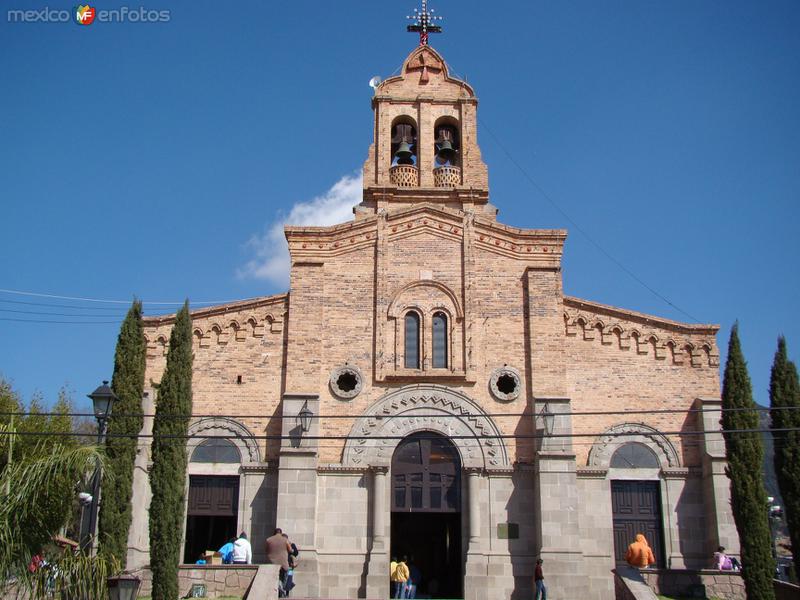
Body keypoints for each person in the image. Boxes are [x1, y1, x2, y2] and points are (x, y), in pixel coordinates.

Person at [265, 528, 292, 597]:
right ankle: (281, 589)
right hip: (283, 564)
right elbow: (290, 550)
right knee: (284, 577)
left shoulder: (268, 540)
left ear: (274, 533)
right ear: (281, 533)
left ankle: (279, 589)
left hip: (272, 562)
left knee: (275, 578)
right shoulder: (285, 540)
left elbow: (266, 550)